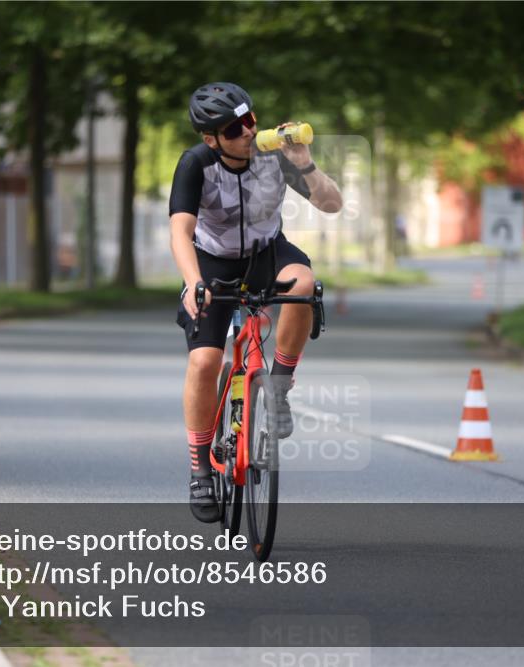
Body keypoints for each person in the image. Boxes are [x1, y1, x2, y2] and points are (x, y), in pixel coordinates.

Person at [168, 82, 343, 522]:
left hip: (267, 253)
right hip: (213, 261)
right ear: (211, 139)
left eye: (251, 120)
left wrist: (304, 165)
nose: (248, 132)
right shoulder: (195, 164)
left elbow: (332, 204)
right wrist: (193, 284)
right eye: (234, 129)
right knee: (205, 362)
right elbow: (180, 232)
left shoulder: (275, 156)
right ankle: (199, 469)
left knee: (303, 285)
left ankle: (280, 385)